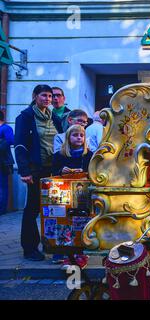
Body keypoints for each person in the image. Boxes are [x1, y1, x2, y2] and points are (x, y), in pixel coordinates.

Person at [15, 84, 63, 261]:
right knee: (33, 209)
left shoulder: (54, 118)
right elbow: (19, 144)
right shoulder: (25, 117)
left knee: (52, 209)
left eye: (50, 96)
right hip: (35, 170)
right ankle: (29, 248)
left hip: (53, 170)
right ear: (35, 96)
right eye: (44, 96)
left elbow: (61, 139)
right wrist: (24, 171)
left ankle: (50, 244)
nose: (48, 99)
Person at [0, 111, 14, 215]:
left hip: (3, 162)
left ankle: (2, 209)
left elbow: (11, 140)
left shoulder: (6, 128)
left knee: (2, 186)